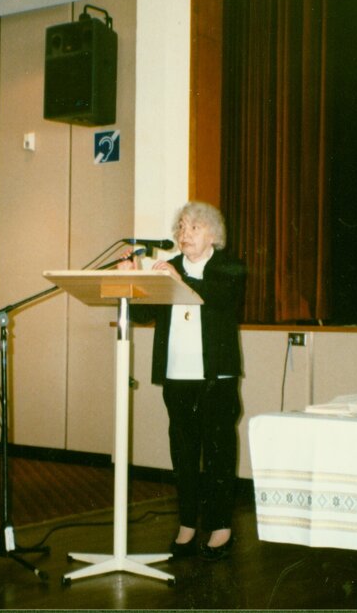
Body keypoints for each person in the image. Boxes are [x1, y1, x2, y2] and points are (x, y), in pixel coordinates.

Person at [117, 201, 247, 561]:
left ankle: (221, 527)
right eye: (181, 228)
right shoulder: (168, 268)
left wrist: (179, 280)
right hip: (177, 374)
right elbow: (143, 312)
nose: (184, 235)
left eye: (193, 228)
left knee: (219, 452)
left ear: (213, 235)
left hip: (215, 376)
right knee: (184, 453)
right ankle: (187, 524)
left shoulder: (228, 266)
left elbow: (220, 299)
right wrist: (131, 279)